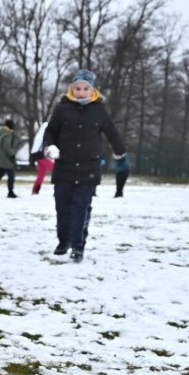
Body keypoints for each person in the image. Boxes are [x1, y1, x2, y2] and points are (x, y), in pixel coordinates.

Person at [42, 69, 127, 262]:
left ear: (92, 90)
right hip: (64, 168)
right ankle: (63, 241)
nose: (81, 92)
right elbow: (50, 132)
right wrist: (49, 147)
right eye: (77, 88)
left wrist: (120, 152)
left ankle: (78, 246)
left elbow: (112, 132)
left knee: (81, 208)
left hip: (88, 169)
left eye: (85, 88)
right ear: (72, 89)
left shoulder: (99, 110)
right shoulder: (62, 108)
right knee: (62, 209)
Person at [0, 119, 18, 198]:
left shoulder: (1, 132)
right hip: (5, 157)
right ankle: (10, 192)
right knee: (11, 174)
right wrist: (12, 154)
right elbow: (6, 146)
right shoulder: (7, 134)